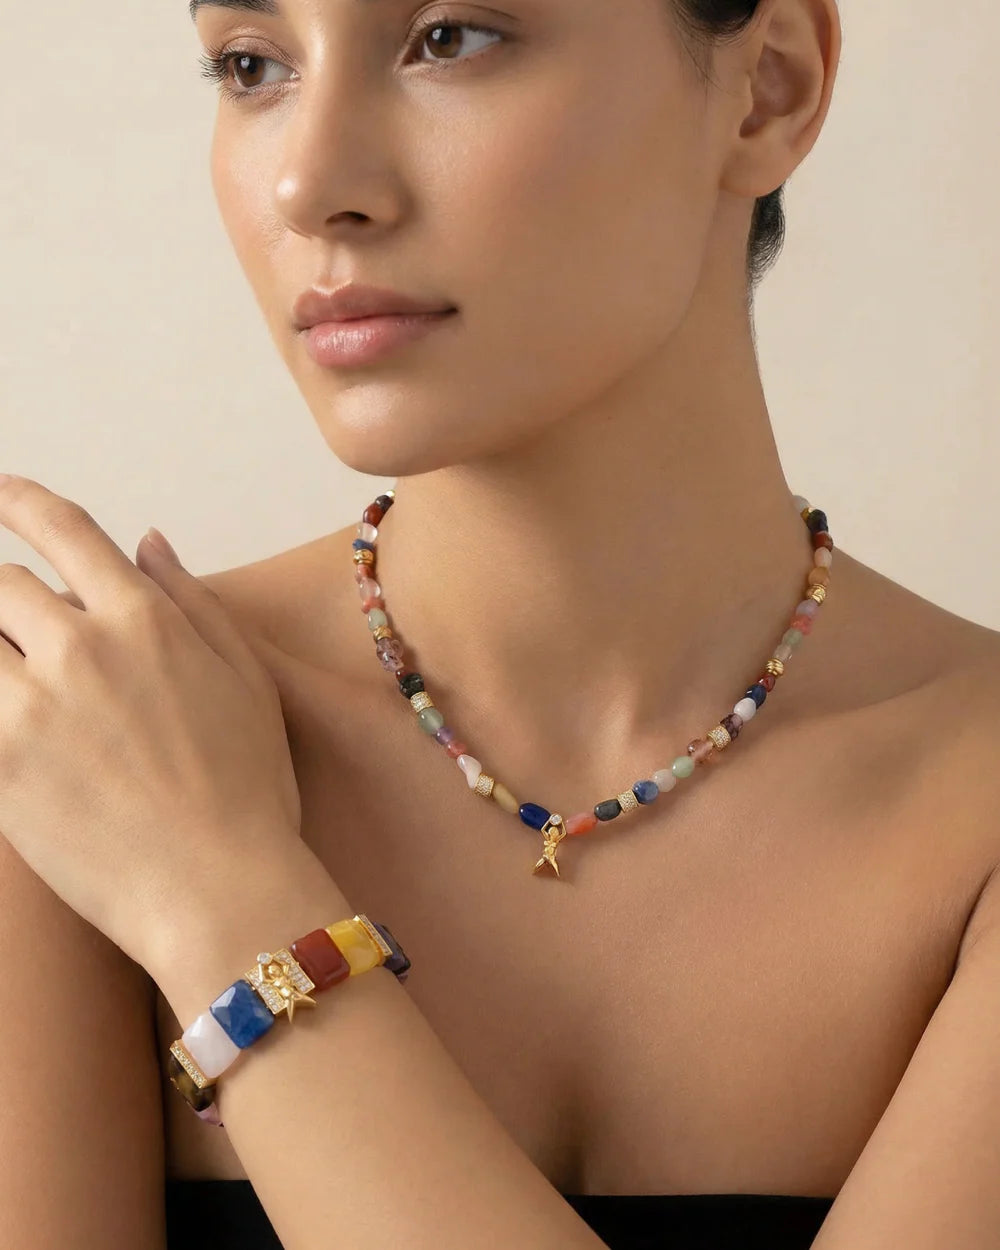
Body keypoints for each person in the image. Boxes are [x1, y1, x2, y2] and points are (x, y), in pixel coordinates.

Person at [2, 0, 999, 1247]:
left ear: (768, 88)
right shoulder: (77, 739)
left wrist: (219, 897)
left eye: (450, 38)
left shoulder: (140, 804)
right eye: (251, 64)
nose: (310, 184)